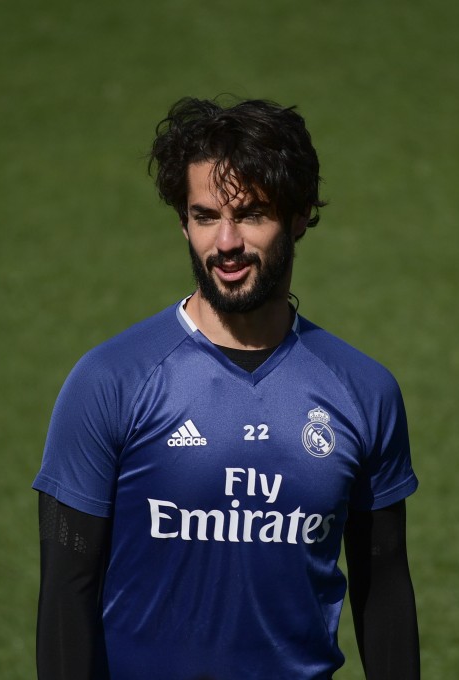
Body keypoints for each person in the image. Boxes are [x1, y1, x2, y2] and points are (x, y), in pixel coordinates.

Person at [33, 97, 420, 680]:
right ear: (183, 222)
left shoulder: (364, 392)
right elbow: (66, 592)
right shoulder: (110, 382)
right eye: (206, 216)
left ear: (298, 216)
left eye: (252, 214)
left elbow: (384, 587)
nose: (226, 242)